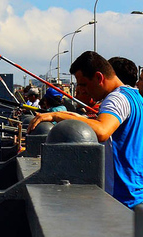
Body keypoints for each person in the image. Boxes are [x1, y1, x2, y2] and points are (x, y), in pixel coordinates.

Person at [29, 51, 143, 208]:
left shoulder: (115, 99)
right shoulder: (134, 96)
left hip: (120, 198)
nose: (83, 90)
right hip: (134, 194)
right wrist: (60, 114)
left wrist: (59, 117)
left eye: (83, 84)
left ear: (99, 77)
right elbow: (98, 124)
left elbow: (102, 130)